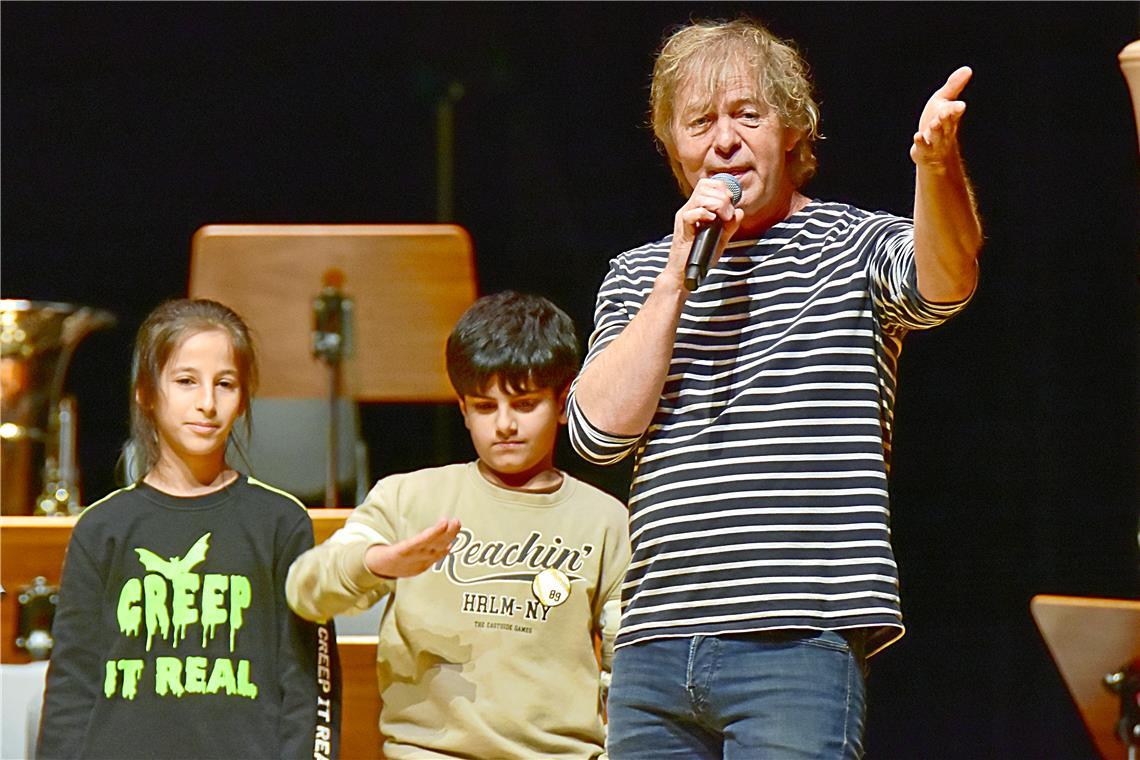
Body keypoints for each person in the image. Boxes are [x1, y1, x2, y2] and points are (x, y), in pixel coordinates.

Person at [566, 17, 983, 760]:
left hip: (796, 639)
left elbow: (945, 285)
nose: (723, 141)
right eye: (699, 122)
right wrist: (676, 277)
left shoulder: (854, 246)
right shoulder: (637, 274)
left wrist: (937, 166)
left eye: (746, 115)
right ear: (672, 145)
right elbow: (598, 434)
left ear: (792, 128)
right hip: (654, 645)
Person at [286, 290, 631, 760]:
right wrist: (379, 563)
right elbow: (307, 590)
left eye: (525, 404)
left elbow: (629, 670)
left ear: (563, 399)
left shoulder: (606, 520)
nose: (505, 425)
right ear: (463, 408)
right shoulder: (407, 498)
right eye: (485, 407)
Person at [37, 298, 339, 760]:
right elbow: (70, 689)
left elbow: (309, 688)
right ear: (146, 392)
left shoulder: (281, 524)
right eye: (185, 382)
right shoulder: (102, 527)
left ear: (243, 399)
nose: (206, 403)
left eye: (225, 384)